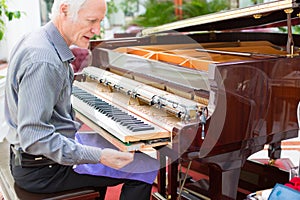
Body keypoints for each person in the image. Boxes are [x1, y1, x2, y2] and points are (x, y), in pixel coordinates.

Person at [4, 0, 153, 199]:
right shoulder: (44, 60)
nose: (97, 30)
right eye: (91, 20)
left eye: (100, 21)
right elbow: (35, 137)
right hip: (42, 169)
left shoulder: (39, 38)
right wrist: (99, 156)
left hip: (34, 158)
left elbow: (54, 110)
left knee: (115, 150)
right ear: (64, 11)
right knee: (146, 166)